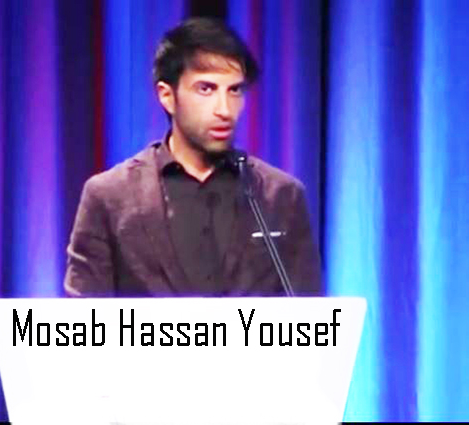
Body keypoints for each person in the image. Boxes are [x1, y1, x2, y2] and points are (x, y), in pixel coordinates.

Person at [64, 17, 323, 297]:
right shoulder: (109, 197)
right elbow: (84, 319)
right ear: (167, 96)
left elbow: (309, 315)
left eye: (234, 90)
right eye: (206, 89)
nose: (225, 110)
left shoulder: (281, 196)